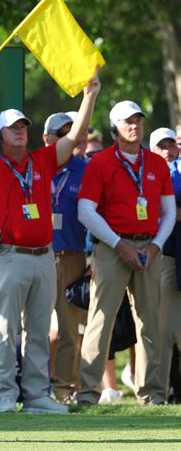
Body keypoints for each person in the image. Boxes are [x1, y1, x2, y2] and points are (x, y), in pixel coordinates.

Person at [0, 69, 100, 413]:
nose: (21, 132)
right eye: (14, 128)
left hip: (43, 256)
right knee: (6, 330)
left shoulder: (42, 159)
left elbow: (77, 135)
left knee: (38, 329)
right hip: (8, 257)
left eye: (24, 127)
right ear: (1, 135)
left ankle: (37, 395)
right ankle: (7, 395)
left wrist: (89, 96)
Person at [76, 101, 176, 406]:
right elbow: (85, 211)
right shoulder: (101, 162)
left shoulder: (156, 163)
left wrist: (156, 245)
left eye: (138, 120)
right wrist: (120, 244)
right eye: (127, 121)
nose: (134, 125)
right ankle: (88, 394)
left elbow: (168, 210)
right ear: (114, 129)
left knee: (150, 322)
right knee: (100, 319)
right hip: (110, 249)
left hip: (149, 247)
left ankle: (152, 395)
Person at [42, 112, 87, 404]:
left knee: (70, 330)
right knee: (35, 328)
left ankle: (63, 391)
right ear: (47, 139)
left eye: (72, 134)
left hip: (73, 257)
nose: (68, 140)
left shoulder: (85, 169)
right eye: (62, 135)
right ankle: (33, 388)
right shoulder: (35, 165)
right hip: (38, 256)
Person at [149, 127, 181, 403]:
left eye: (171, 145)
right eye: (162, 146)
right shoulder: (150, 174)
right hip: (166, 255)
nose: (168, 151)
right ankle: (158, 392)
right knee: (164, 329)